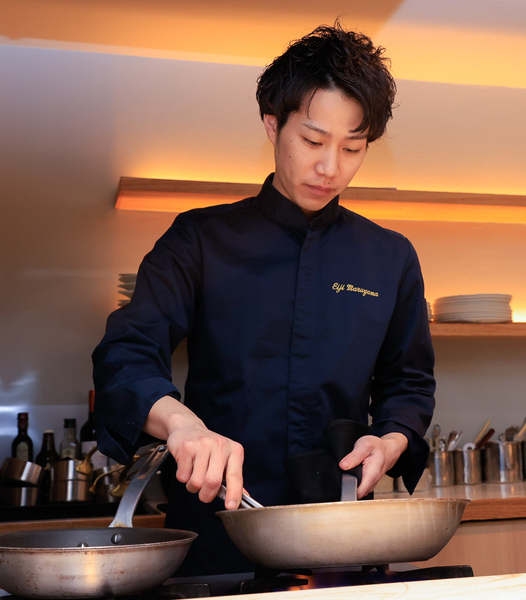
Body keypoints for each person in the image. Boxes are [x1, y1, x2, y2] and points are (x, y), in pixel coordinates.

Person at [92, 21, 435, 576]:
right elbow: (126, 353)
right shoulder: (200, 239)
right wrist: (182, 425)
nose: (331, 168)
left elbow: (409, 382)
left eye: (353, 148)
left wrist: (392, 439)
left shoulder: (390, 257)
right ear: (273, 124)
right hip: (217, 530)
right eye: (313, 141)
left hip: (343, 533)